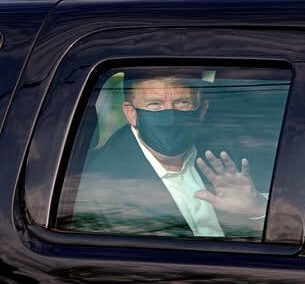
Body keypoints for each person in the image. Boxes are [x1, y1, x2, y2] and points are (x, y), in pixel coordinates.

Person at [67, 72, 268, 238]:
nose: (170, 116)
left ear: (201, 110)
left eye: (182, 102)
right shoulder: (96, 183)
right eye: (155, 104)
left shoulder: (235, 153)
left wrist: (256, 209)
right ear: (131, 113)